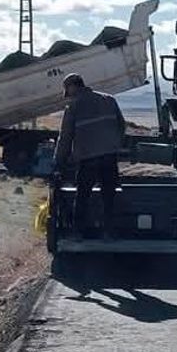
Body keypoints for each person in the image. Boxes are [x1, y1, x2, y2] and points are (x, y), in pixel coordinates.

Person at [53, 74, 125, 239]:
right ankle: (108, 232)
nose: (68, 95)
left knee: (83, 195)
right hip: (109, 156)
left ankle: (79, 232)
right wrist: (114, 145)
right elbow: (122, 126)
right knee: (108, 196)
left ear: (72, 87)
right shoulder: (109, 100)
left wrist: (58, 162)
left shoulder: (73, 107)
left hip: (88, 158)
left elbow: (65, 138)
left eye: (68, 91)